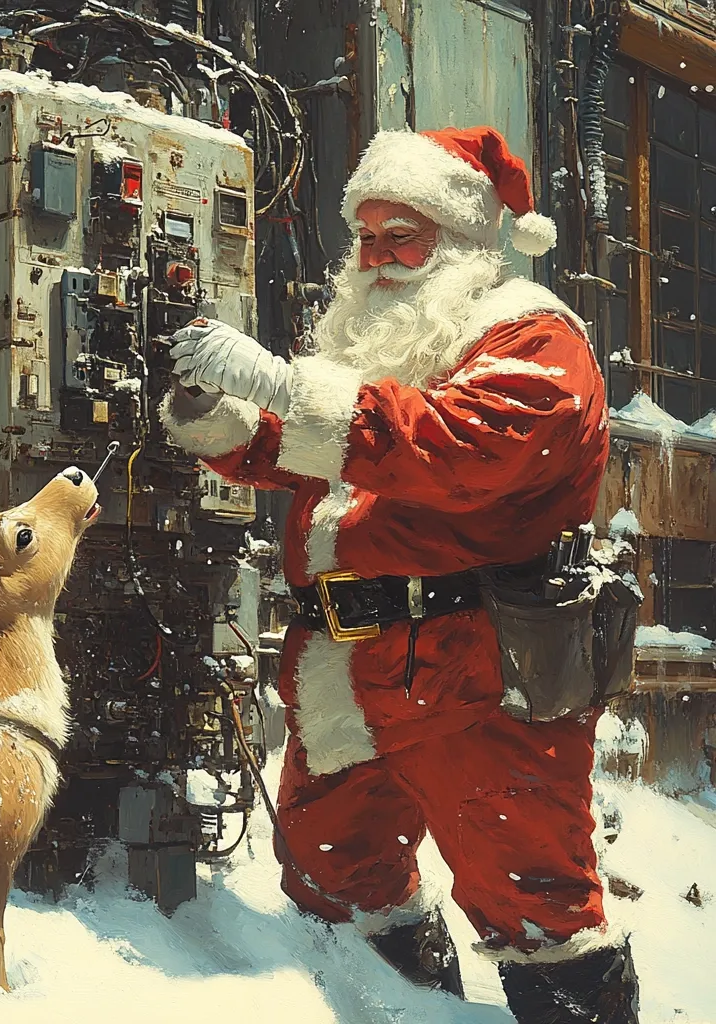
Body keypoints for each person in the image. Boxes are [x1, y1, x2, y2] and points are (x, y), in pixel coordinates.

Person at [161, 126, 639, 1023]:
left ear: (459, 242)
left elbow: (455, 446)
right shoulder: (377, 348)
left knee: (535, 905)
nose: (379, 257)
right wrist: (222, 418)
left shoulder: (536, 337)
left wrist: (282, 379)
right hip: (351, 670)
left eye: (403, 235)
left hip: (479, 678)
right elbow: (326, 454)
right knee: (336, 881)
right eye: (368, 236)